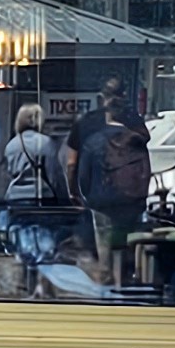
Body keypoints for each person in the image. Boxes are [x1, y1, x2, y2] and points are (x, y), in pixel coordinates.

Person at [74, 84, 154, 275]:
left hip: (102, 203)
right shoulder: (136, 141)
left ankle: (108, 279)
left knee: (105, 248)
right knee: (128, 245)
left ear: (108, 115)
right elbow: (146, 172)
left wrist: (89, 197)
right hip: (131, 203)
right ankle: (125, 279)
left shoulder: (93, 141)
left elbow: (83, 177)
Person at [0, 98, 66, 297]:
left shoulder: (11, 145)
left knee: (23, 243)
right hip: (41, 198)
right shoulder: (46, 143)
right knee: (44, 244)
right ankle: (42, 288)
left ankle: (24, 285)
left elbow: (8, 173)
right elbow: (53, 174)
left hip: (16, 200)